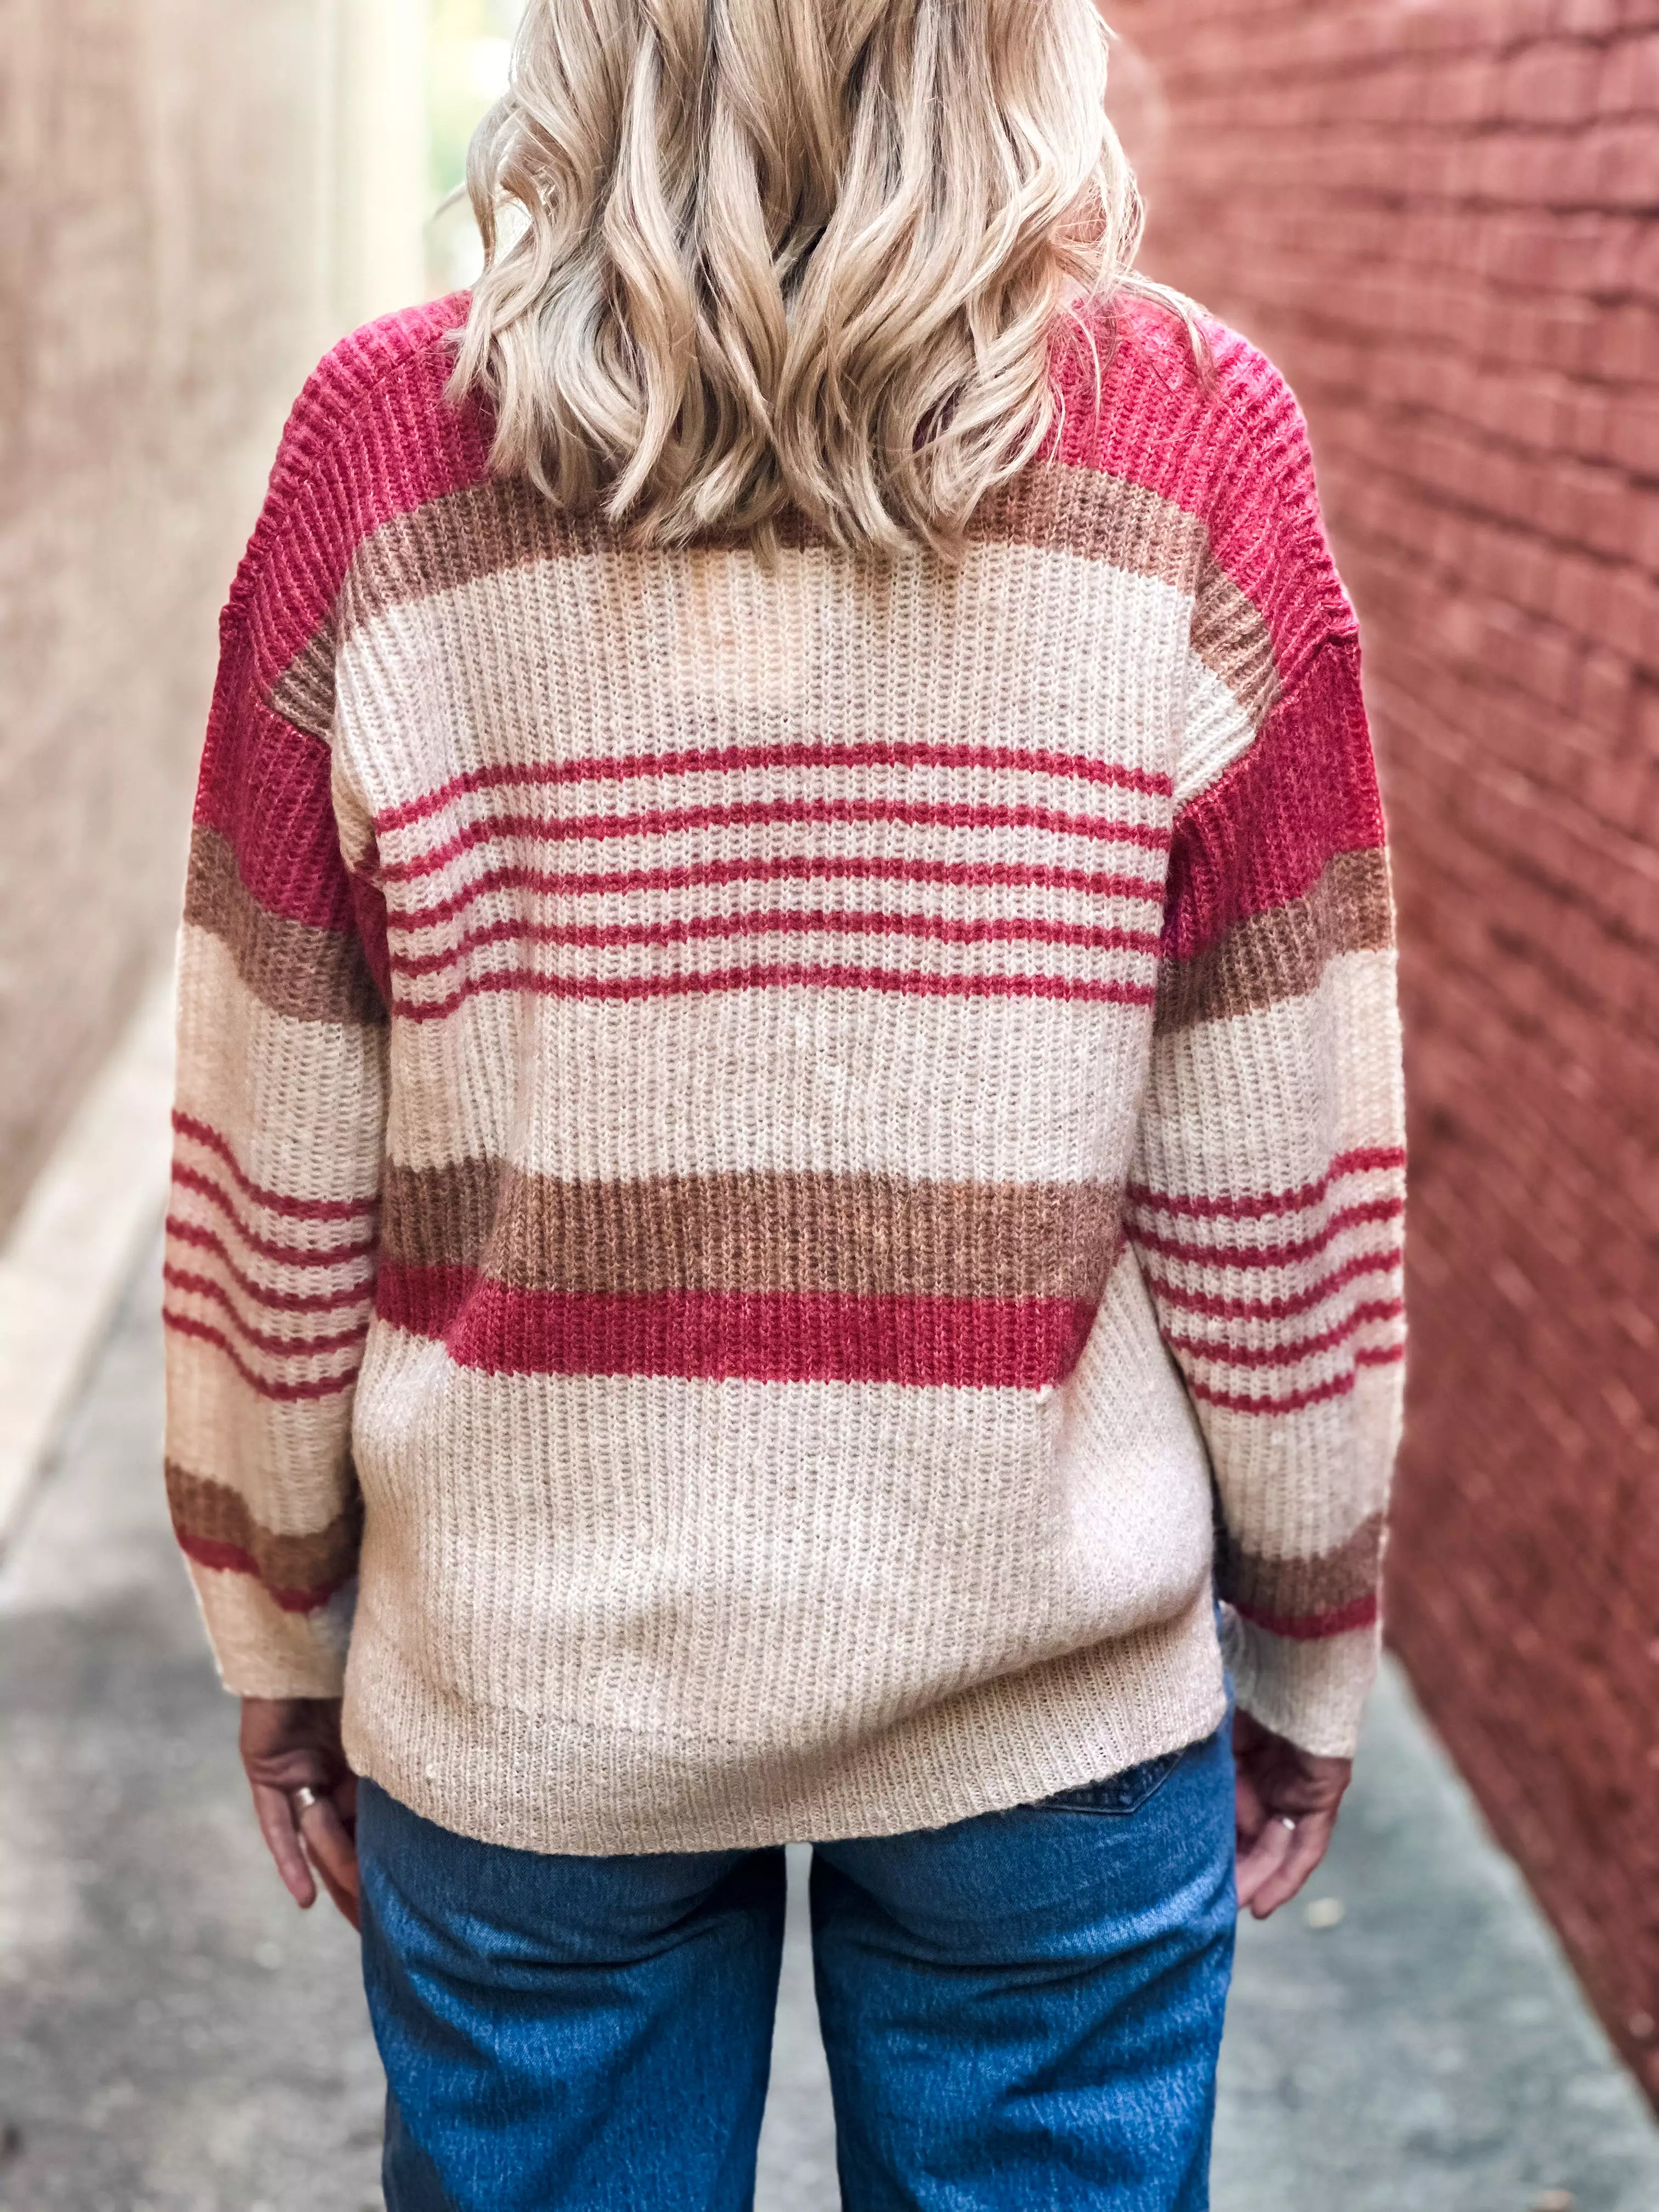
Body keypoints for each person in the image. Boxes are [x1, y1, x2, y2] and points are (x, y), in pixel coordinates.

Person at [161, 1, 1405, 2204]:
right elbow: (1280, 1176)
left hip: (530, 1696)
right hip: (1049, 1707)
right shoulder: (1191, 448)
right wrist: (1311, 1633)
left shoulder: (385, 458)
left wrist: (279, 1610)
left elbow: (276, 1142)